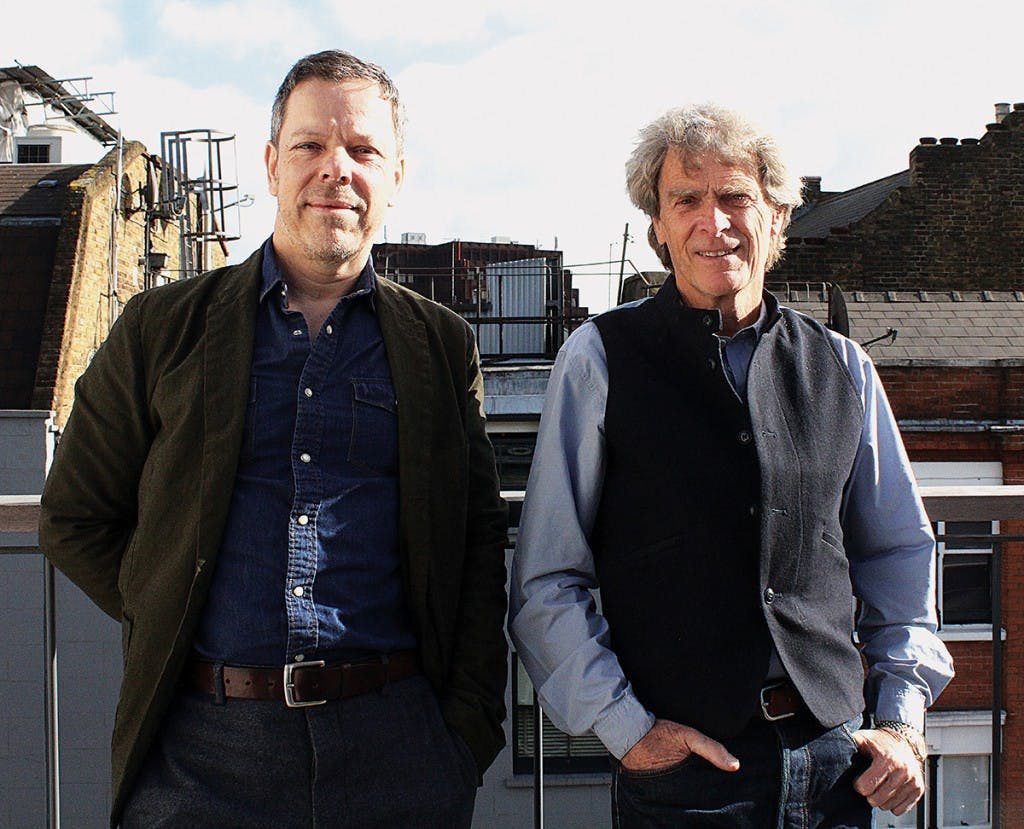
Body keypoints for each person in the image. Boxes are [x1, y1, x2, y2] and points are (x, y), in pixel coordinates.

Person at [39, 50, 508, 829]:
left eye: (362, 150)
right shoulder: (162, 328)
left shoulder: (439, 345)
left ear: (397, 175)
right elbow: (74, 514)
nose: (336, 169)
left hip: (397, 750)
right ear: (270, 164)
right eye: (310, 146)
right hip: (201, 756)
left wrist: (464, 728)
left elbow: (477, 535)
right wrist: (167, 603)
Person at [508, 103, 954, 828]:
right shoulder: (598, 360)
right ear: (657, 225)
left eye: (734, 196)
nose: (712, 222)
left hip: (836, 760)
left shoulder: (843, 366)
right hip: (684, 770)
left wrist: (902, 718)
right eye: (686, 199)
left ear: (776, 216)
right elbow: (547, 576)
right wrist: (626, 729)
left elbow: (898, 551)